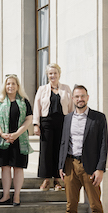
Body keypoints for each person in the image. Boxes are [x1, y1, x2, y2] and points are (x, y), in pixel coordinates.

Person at [59, 85, 108, 213]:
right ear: (73, 99)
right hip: (70, 165)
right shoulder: (67, 119)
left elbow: (104, 145)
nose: (80, 99)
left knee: (95, 207)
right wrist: (61, 166)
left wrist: (100, 168)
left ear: (88, 97)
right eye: (77, 96)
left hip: (90, 168)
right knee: (70, 207)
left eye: (83, 96)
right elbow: (64, 143)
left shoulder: (98, 118)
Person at [0, 74, 33, 206]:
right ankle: (6, 195)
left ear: (17, 86)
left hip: (19, 140)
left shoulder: (24, 102)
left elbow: (29, 119)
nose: (11, 86)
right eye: (8, 84)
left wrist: (16, 134)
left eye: (13, 83)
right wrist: (2, 133)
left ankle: (17, 196)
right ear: (5, 86)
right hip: (3, 140)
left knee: (18, 168)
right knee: (5, 168)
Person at [33, 63, 74, 191]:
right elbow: (36, 107)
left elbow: (71, 107)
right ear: (47, 75)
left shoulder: (66, 89)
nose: (53, 75)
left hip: (62, 122)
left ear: (59, 74)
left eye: (55, 73)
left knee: (59, 150)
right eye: (50, 73)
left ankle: (57, 180)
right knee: (46, 151)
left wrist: (72, 124)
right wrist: (36, 124)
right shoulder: (42, 89)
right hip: (46, 122)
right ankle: (46, 180)